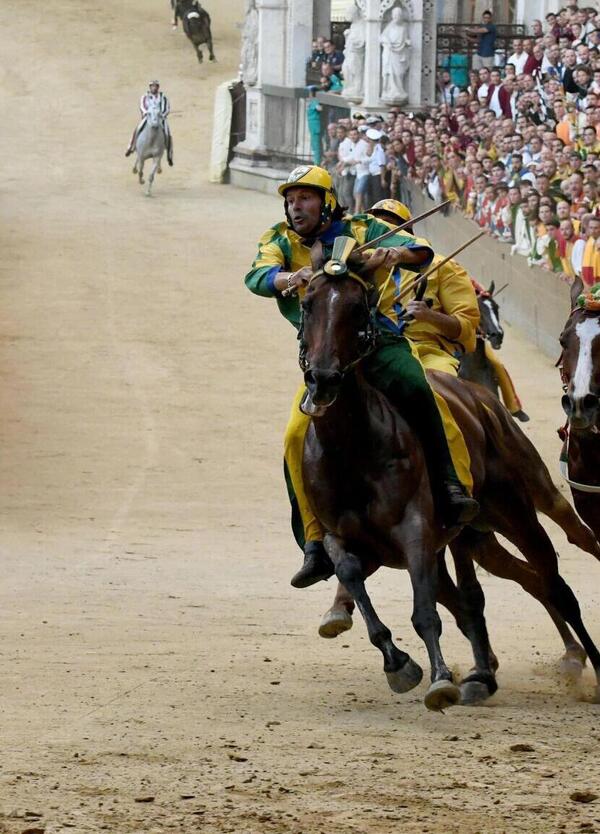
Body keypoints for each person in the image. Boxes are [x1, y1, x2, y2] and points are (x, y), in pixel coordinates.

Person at [244, 165, 479, 587]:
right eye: (291, 199)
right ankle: (315, 542)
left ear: (327, 201)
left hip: (379, 344)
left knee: (420, 390)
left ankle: (449, 484)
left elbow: (421, 251)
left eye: (306, 198)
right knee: (296, 436)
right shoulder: (278, 238)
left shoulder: (364, 226)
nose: (296, 207)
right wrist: (288, 277)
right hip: (324, 357)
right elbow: (256, 276)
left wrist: (396, 255)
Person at [125, 80, 173, 166]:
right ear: (150, 87)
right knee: (138, 129)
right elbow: (142, 106)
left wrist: (162, 115)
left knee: (167, 133)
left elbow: (167, 107)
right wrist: (146, 113)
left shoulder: (163, 97)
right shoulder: (145, 96)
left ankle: (169, 155)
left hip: (160, 119)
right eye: (152, 86)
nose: (154, 88)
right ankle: (131, 147)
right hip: (148, 117)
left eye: (156, 86)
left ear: (158, 87)